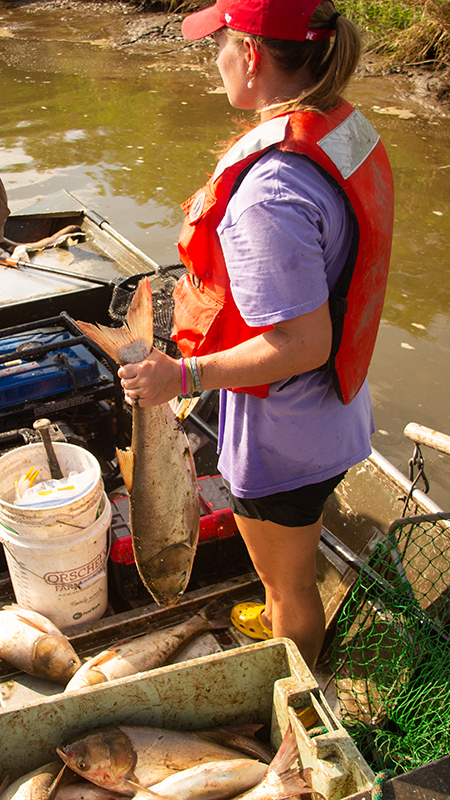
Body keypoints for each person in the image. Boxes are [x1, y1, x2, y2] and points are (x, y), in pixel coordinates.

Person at [118, 0, 394, 685]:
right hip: (336, 415)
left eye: (221, 44)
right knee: (290, 571)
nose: (214, 60)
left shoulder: (268, 194)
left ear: (251, 55)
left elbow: (302, 343)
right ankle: (290, 642)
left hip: (289, 439)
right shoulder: (340, 128)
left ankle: (300, 685)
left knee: (287, 590)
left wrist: (179, 379)